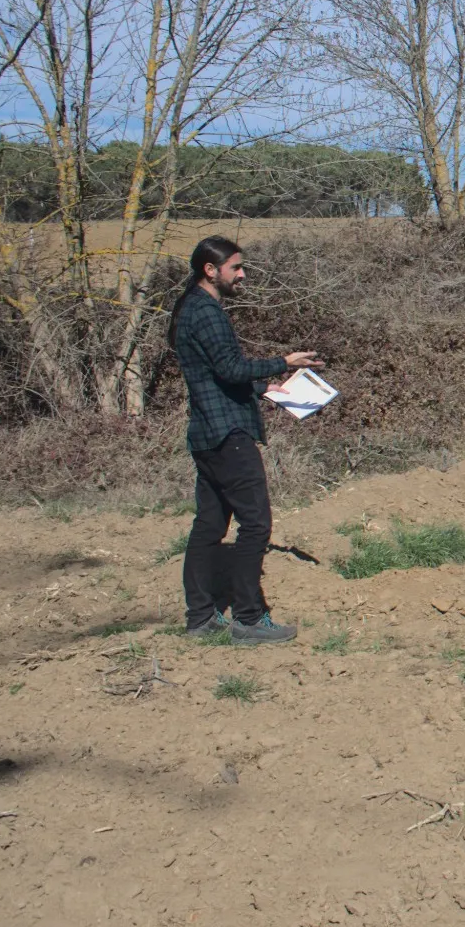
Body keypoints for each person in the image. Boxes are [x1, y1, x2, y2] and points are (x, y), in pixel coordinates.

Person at [169, 236, 323, 643]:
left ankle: (200, 618)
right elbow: (232, 369)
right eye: (235, 268)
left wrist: (264, 389)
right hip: (228, 435)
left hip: (207, 433)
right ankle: (249, 619)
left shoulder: (189, 308)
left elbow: (214, 375)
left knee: (209, 526)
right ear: (210, 270)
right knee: (256, 524)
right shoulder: (207, 313)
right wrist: (284, 362)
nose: (242, 275)